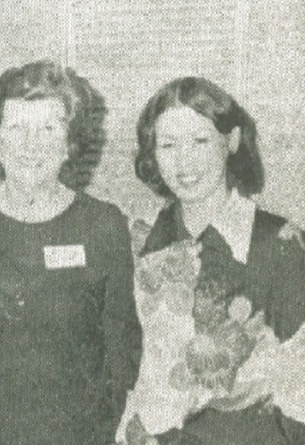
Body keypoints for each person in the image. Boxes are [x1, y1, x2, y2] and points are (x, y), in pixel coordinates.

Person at [0, 60, 142, 444]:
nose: (32, 144)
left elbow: (121, 350)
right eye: (16, 128)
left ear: (69, 144)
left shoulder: (103, 226)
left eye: (48, 128)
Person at [118, 76, 305, 445]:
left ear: (231, 141)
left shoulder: (278, 244)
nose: (184, 162)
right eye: (168, 145)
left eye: (200, 141)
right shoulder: (142, 244)